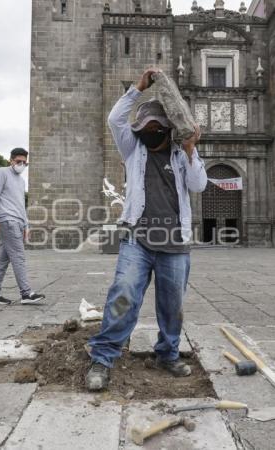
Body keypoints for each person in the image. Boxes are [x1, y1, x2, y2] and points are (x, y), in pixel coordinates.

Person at [86, 68, 207, 391]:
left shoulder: (181, 154)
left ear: (168, 129)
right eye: (143, 128)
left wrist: (192, 149)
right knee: (123, 294)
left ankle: (167, 354)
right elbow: (115, 120)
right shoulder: (133, 149)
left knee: (172, 305)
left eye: (155, 128)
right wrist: (137, 90)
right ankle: (103, 357)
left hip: (175, 243)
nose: (148, 133)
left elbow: (198, 185)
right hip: (137, 239)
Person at [0, 147, 45, 306]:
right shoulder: (1, 172)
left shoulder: (21, 180)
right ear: (11, 160)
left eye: (25, 163)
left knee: (2, 260)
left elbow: (20, 204)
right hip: (7, 220)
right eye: (18, 161)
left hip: (18, 222)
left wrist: (27, 225)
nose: (21, 165)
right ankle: (26, 293)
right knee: (18, 256)